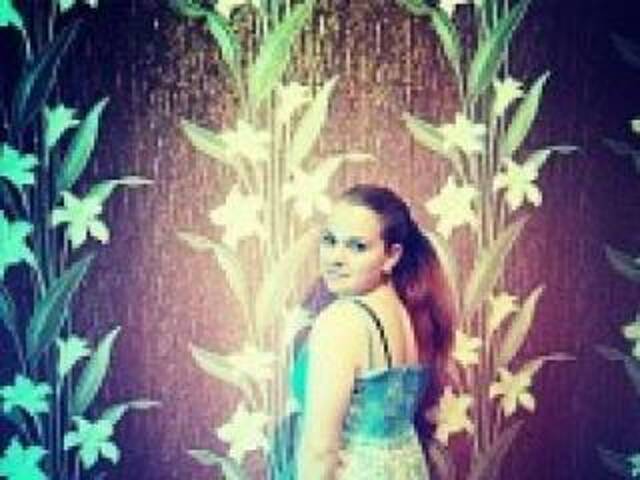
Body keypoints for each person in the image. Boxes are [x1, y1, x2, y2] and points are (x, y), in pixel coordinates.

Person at [274, 184, 455, 480]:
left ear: (391, 256)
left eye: (357, 246)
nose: (335, 258)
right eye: (330, 240)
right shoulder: (403, 311)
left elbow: (320, 452)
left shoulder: (341, 320)